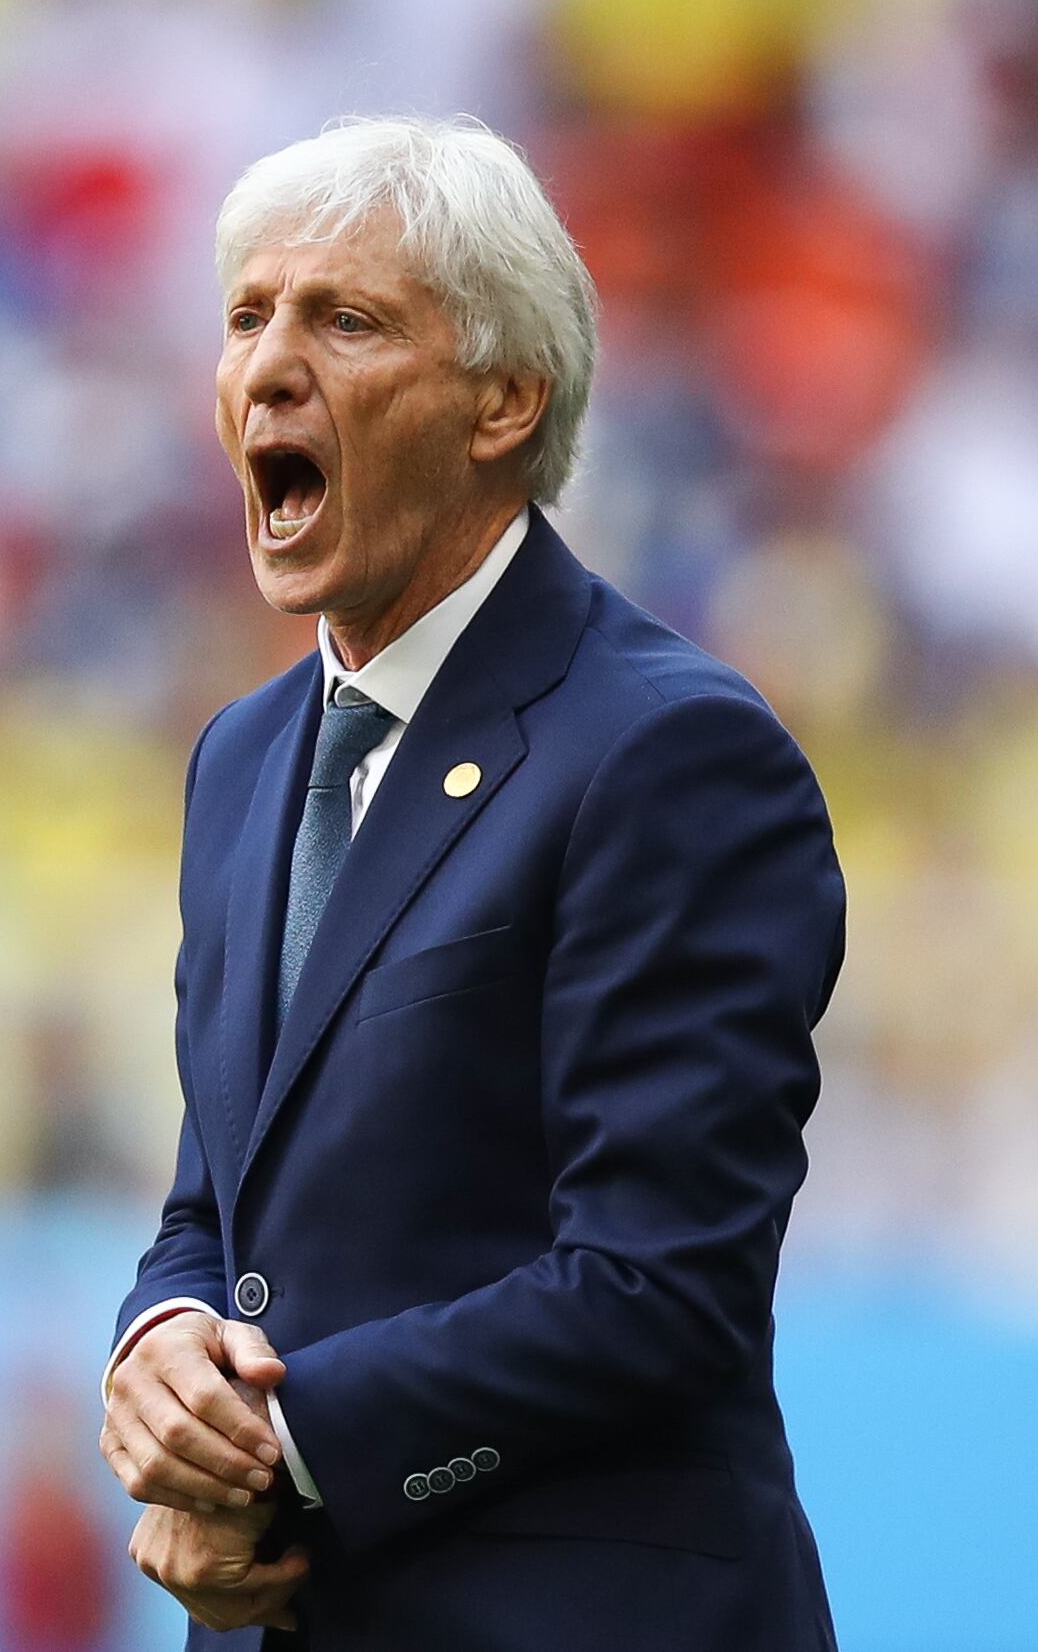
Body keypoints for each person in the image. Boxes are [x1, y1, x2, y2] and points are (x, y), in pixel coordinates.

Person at [99, 117, 845, 1651]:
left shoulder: (668, 748)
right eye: (247, 317)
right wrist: (163, 1345)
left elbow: (660, 1283)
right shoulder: (241, 759)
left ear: (504, 401)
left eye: (344, 321)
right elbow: (219, 1209)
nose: (269, 367)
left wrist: (275, 1458)